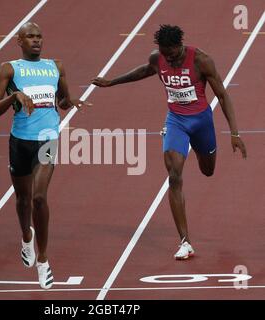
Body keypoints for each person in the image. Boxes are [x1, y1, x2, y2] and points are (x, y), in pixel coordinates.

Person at [92, 24, 247, 260]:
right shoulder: (158, 58)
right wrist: (112, 82)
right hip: (176, 122)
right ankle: (185, 241)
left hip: (202, 122)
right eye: (165, 55)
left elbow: (223, 96)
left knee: (208, 170)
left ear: (180, 46)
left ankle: (197, 149)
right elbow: (144, 71)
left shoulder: (201, 60)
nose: (170, 60)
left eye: (173, 55)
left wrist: (234, 133)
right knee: (174, 175)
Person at [0, 22, 90, 289]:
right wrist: (14, 97)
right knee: (22, 201)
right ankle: (26, 236)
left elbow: (62, 102)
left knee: (39, 197)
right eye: (30, 36)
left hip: (47, 140)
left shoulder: (56, 67)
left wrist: (71, 101)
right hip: (20, 141)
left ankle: (43, 260)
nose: (36, 40)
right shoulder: (8, 69)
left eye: (39, 36)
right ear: (19, 41)